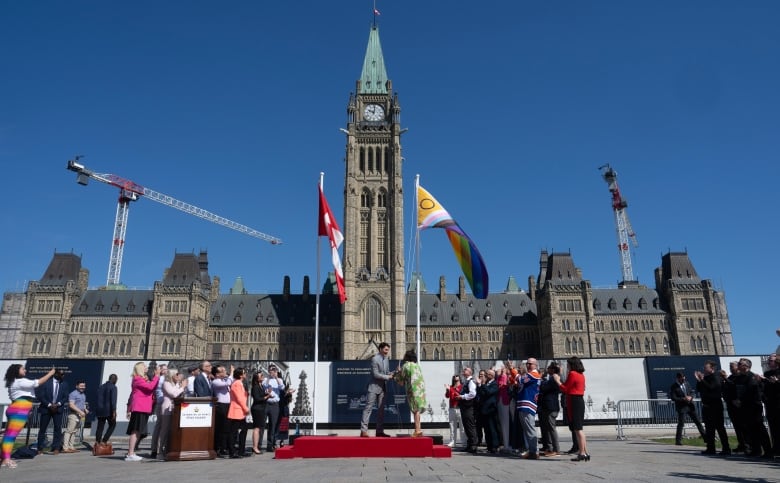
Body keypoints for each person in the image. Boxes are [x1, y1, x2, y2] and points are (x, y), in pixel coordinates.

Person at [2, 365, 56, 469]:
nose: (25, 370)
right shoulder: (19, 381)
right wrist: (51, 373)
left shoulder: (15, 382)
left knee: (9, 436)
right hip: (19, 409)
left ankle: (4, 458)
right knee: (10, 436)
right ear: (17, 371)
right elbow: (37, 383)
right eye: (23, 369)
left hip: (18, 408)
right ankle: (6, 459)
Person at [553, 356, 589, 462]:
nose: (567, 366)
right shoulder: (581, 375)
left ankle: (582, 453)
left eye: (568, 364)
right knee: (579, 429)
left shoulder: (573, 374)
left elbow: (565, 388)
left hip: (574, 401)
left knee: (578, 429)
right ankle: (584, 452)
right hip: (578, 400)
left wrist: (557, 381)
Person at [125, 361, 160, 462]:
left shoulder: (142, 379)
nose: (146, 368)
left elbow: (151, 388)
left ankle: (132, 453)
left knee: (138, 430)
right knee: (136, 430)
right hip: (139, 407)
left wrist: (155, 378)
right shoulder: (137, 379)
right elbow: (150, 387)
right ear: (140, 368)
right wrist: (156, 376)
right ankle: (130, 453)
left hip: (143, 407)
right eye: (144, 366)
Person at [694, 361, 731, 455]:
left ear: (712, 369)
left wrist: (702, 380)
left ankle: (726, 448)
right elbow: (699, 389)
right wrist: (699, 380)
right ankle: (710, 448)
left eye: (706, 368)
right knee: (709, 428)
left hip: (715, 406)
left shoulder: (716, 377)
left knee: (720, 428)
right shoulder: (705, 378)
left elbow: (712, 388)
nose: (704, 370)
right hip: (706, 406)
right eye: (704, 368)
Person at [360, 342, 396, 438]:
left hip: (383, 388)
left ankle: (379, 431)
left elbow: (387, 372)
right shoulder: (374, 359)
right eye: (385, 350)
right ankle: (363, 431)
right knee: (368, 409)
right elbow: (375, 374)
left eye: (388, 350)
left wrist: (395, 372)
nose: (387, 352)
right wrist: (388, 377)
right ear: (380, 349)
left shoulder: (387, 359)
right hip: (373, 388)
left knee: (381, 410)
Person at [393, 350, 427, 437]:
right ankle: (418, 428)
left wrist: (397, 372)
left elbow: (401, 381)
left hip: (412, 390)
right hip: (420, 390)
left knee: (415, 410)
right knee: (418, 410)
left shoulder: (406, 365)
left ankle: (417, 430)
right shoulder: (417, 366)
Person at [36, 368, 68, 455]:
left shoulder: (64, 384)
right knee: (43, 429)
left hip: (58, 409)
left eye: (63, 374)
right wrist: (50, 405)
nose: (63, 376)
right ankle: (40, 448)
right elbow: (41, 396)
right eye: (61, 374)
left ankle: (56, 448)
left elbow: (65, 397)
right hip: (46, 409)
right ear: (56, 374)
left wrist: (58, 404)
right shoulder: (46, 383)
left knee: (58, 429)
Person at [157, 369, 186, 459]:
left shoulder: (175, 384)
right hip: (167, 408)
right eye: (177, 374)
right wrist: (182, 387)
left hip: (175, 409)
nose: (178, 376)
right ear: (172, 375)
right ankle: (160, 452)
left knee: (171, 431)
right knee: (164, 431)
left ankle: (168, 450)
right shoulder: (166, 383)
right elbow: (174, 394)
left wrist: (180, 386)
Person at [516, 358, 542, 459]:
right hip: (524, 404)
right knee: (527, 429)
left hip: (528, 404)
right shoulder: (531, 375)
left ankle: (534, 451)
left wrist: (512, 370)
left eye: (530, 364)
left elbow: (520, 379)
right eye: (527, 364)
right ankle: (531, 450)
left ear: (535, 365)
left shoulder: (534, 374)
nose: (528, 365)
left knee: (530, 429)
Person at [670, 372, 705, 445]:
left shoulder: (687, 383)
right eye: (682, 379)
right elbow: (673, 397)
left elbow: (692, 392)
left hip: (690, 406)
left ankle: (706, 438)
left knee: (698, 422)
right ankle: (678, 440)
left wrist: (690, 397)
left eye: (684, 378)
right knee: (681, 423)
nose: (683, 380)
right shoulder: (674, 386)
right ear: (678, 378)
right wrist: (683, 398)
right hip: (682, 407)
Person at [538, 362, 562, 457]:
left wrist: (540, 380)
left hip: (551, 406)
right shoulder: (551, 378)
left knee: (551, 428)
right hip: (547, 406)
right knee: (548, 428)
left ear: (552, 370)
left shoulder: (554, 378)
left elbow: (544, 388)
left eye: (549, 368)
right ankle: (550, 448)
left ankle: (556, 449)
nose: (547, 370)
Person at [211, 363, 234, 457]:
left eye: (225, 370)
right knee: (222, 428)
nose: (225, 372)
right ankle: (219, 448)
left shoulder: (224, 379)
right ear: (217, 374)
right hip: (221, 406)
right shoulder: (216, 381)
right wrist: (231, 372)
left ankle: (225, 447)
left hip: (227, 405)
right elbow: (228, 383)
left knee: (227, 428)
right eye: (222, 371)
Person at [227, 367, 249, 458]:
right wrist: (245, 408)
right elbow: (239, 398)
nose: (245, 374)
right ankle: (232, 452)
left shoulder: (239, 383)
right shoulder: (237, 383)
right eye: (244, 373)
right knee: (234, 432)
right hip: (237, 410)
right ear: (240, 375)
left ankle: (241, 450)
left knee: (243, 430)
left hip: (240, 411)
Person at [476, 369, 499, 453]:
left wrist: (482, 384)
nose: (485, 375)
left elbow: (489, 392)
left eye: (487, 374)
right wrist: (479, 385)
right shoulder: (486, 384)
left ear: (492, 375)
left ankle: (494, 446)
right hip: (484, 409)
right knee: (487, 429)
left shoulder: (494, 384)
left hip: (490, 409)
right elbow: (481, 393)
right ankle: (489, 446)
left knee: (492, 428)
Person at [263, 365, 285, 450]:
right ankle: (265, 444)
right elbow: (265, 385)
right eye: (271, 370)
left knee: (273, 425)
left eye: (274, 370)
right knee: (264, 424)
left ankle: (272, 444)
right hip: (267, 403)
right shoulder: (266, 379)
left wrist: (276, 377)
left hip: (275, 405)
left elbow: (282, 387)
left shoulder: (279, 380)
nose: (272, 372)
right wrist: (269, 376)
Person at [62, 379, 88, 453]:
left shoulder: (83, 395)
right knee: (69, 431)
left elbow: (82, 405)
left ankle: (71, 447)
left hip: (79, 415)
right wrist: (80, 411)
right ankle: (65, 448)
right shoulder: (73, 394)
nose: (83, 387)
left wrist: (85, 409)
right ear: (77, 386)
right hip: (73, 414)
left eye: (84, 386)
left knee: (74, 431)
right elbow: (71, 405)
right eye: (81, 386)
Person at [762, 353, 779, 458]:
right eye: (768, 361)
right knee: (773, 428)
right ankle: (776, 448)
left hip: (778, 402)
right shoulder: (767, 373)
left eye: (771, 361)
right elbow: (765, 388)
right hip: (770, 403)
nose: (769, 362)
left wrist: (777, 382)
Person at [149, 363, 168, 459]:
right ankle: (157, 449)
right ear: (160, 370)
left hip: (160, 403)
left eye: (166, 369)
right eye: (164, 369)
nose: (166, 370)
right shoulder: (161, 379)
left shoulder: (159, 379)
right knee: (161, 427)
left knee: (159, 427)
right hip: (161, 403)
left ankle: (155, 449)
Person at [457, 366, 478, 453]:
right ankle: (469, 445)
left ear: (470, 372)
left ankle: (473, 445)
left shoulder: (471, 382)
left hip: (469, 407)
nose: (463, 370)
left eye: (465, 370)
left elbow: (473, 394)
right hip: (465, 407)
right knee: (466, 426)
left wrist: (462, 397)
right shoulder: (466, 381)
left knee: (470, 426)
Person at [250, 371, 271, 455]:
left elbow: (261, 395)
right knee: (257, 428)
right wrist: (267, 396)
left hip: (261, 409)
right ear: (256, 378)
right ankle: (255, 447)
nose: (262, 376)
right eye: (261, 375)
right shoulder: (255, 387)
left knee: (259, 428)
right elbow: (257, 398)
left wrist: (267, 393)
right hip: (257, 409)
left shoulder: (261, 386)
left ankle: (255, 446)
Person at [95, 374, 118, 445]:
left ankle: (97, 442)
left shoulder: (101, 386)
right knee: (113, 425)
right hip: (109, 410)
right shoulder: (113, 387)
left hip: (100, 410)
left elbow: (97, 398)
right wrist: (114, 411)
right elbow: (113, 400)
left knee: (100, 426)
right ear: (115, 380)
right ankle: (104, 441)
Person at [495, 365, 513, 453]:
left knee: (505, 423)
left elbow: (502, 385)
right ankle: (505, 443)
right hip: (500, 400)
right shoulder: (499, 377)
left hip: (505, 401)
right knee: (502, 423)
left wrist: (502, 375)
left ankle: (507, 444)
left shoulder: (506, 377)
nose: (501, 371)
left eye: (503, 369)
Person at [444, 374, 463, 447]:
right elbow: (447, 396)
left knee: (462, 426)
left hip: (460, 408)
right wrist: (447, 390)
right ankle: (452, 441)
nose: (456, 379)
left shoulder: (462, 386)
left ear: (459, 379)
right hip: (452, 408)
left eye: (457, 378)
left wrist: (453, 390)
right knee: (452, 425)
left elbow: (460, 394)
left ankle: (463, 441)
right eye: (454, 378)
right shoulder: (451, 387)